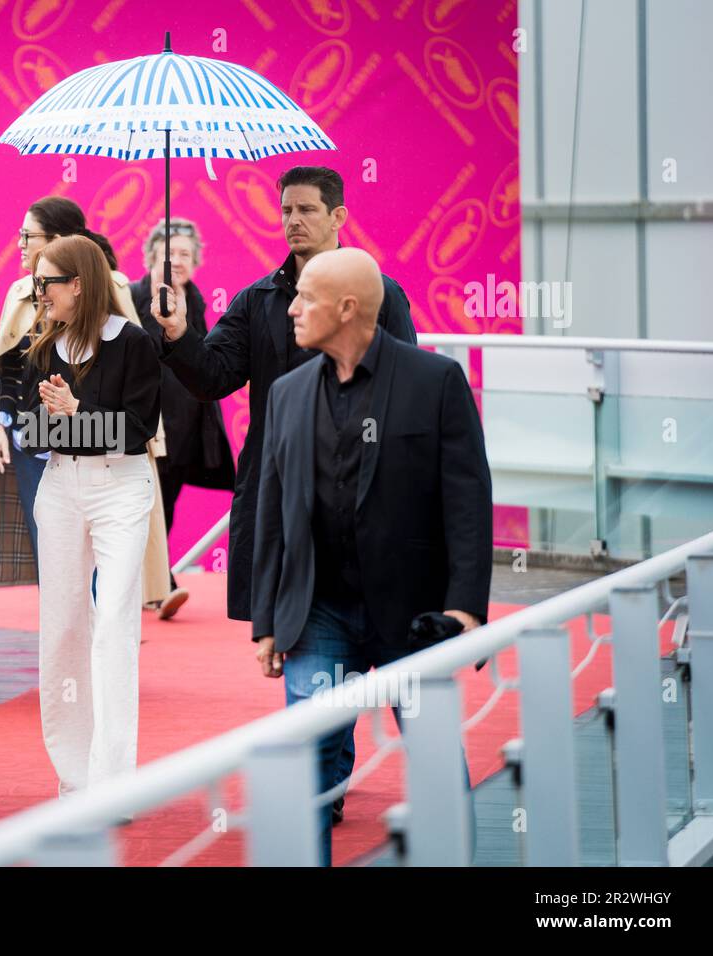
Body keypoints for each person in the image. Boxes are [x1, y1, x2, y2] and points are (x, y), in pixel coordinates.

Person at [151, 166, 416, 814]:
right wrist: (180, 333)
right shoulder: (256, 301)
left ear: (337, 216)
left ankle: (384, 786)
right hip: (285, 506)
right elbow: (211, 377)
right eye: (286, 209)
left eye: (306, 209)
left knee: (401, 677)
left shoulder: (382, 295)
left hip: (367, 511)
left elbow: (406, 391)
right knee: (311, 652)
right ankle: (323, 792)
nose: (294, 220)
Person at [252, 248, 492, 865]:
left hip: (412, 616)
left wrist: (464, 608)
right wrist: (267, 621)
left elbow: (467, 501)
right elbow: (274, 513)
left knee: (436, 753)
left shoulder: (434, 381)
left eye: (306, 297)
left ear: (348, 308)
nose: (293, 310)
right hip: (318, 615)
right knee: (305, 759)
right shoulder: (286, 393)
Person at [0, 196, 171, 610]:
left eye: (29, 235)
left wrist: (78, 413)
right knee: (56, 565)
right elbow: (9, 373)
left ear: (58, 241)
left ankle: (102, 653)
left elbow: (130, 397)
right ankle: (73, 652)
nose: (20, 244)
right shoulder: (21, 295)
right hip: (40, 450)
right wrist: (5, 425)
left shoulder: (112, 294)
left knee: (108, 584)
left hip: (109, 462)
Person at [17, 235, 161, 799]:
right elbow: (31, 433)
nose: (39, 292)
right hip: (59, 488)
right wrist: (71, 425)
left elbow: (136, 433)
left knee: (113, 626)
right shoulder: (42, 346)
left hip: (120, 492)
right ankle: (74, 777)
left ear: (78, 283)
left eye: (46, 282)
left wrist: (77, 415)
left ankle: (112, 781)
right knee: (63, 629)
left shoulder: (133, 343)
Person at [129, 218, 236, 619]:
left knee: (167, 502)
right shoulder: (133, 294)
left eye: (186, 255)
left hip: (186, 420)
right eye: (170, 253)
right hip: (145, 419)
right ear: (152, 256)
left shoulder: (195, 298)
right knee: (144, 501)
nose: (177, 261)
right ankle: (156, 583)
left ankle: (155, 581)